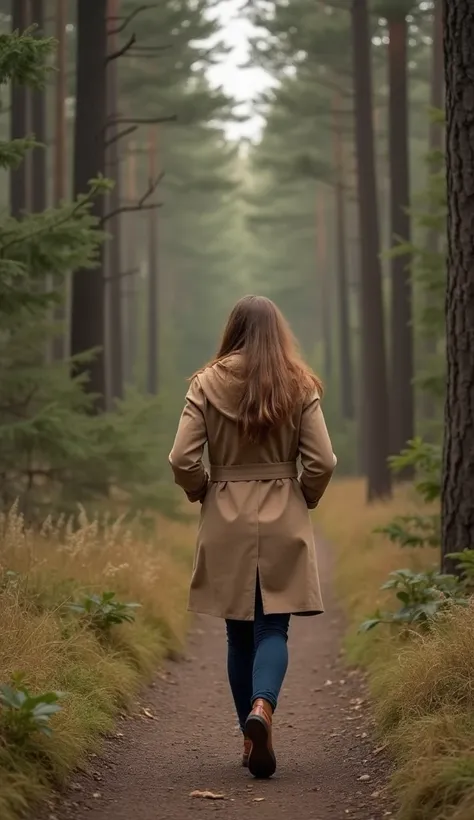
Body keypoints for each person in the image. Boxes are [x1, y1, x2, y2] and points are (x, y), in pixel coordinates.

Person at [169, 295, 336, 779]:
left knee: (237, 633)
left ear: (233, 330)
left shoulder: (205, 382)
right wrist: (304, 494)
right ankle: (263, 709)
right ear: (278, 332)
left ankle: (249, 737)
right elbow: (323, 462)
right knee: (273, 628)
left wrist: (203, 488)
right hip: (283, 510)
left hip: (225, 516)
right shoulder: (299, 383)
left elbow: (181, 459)